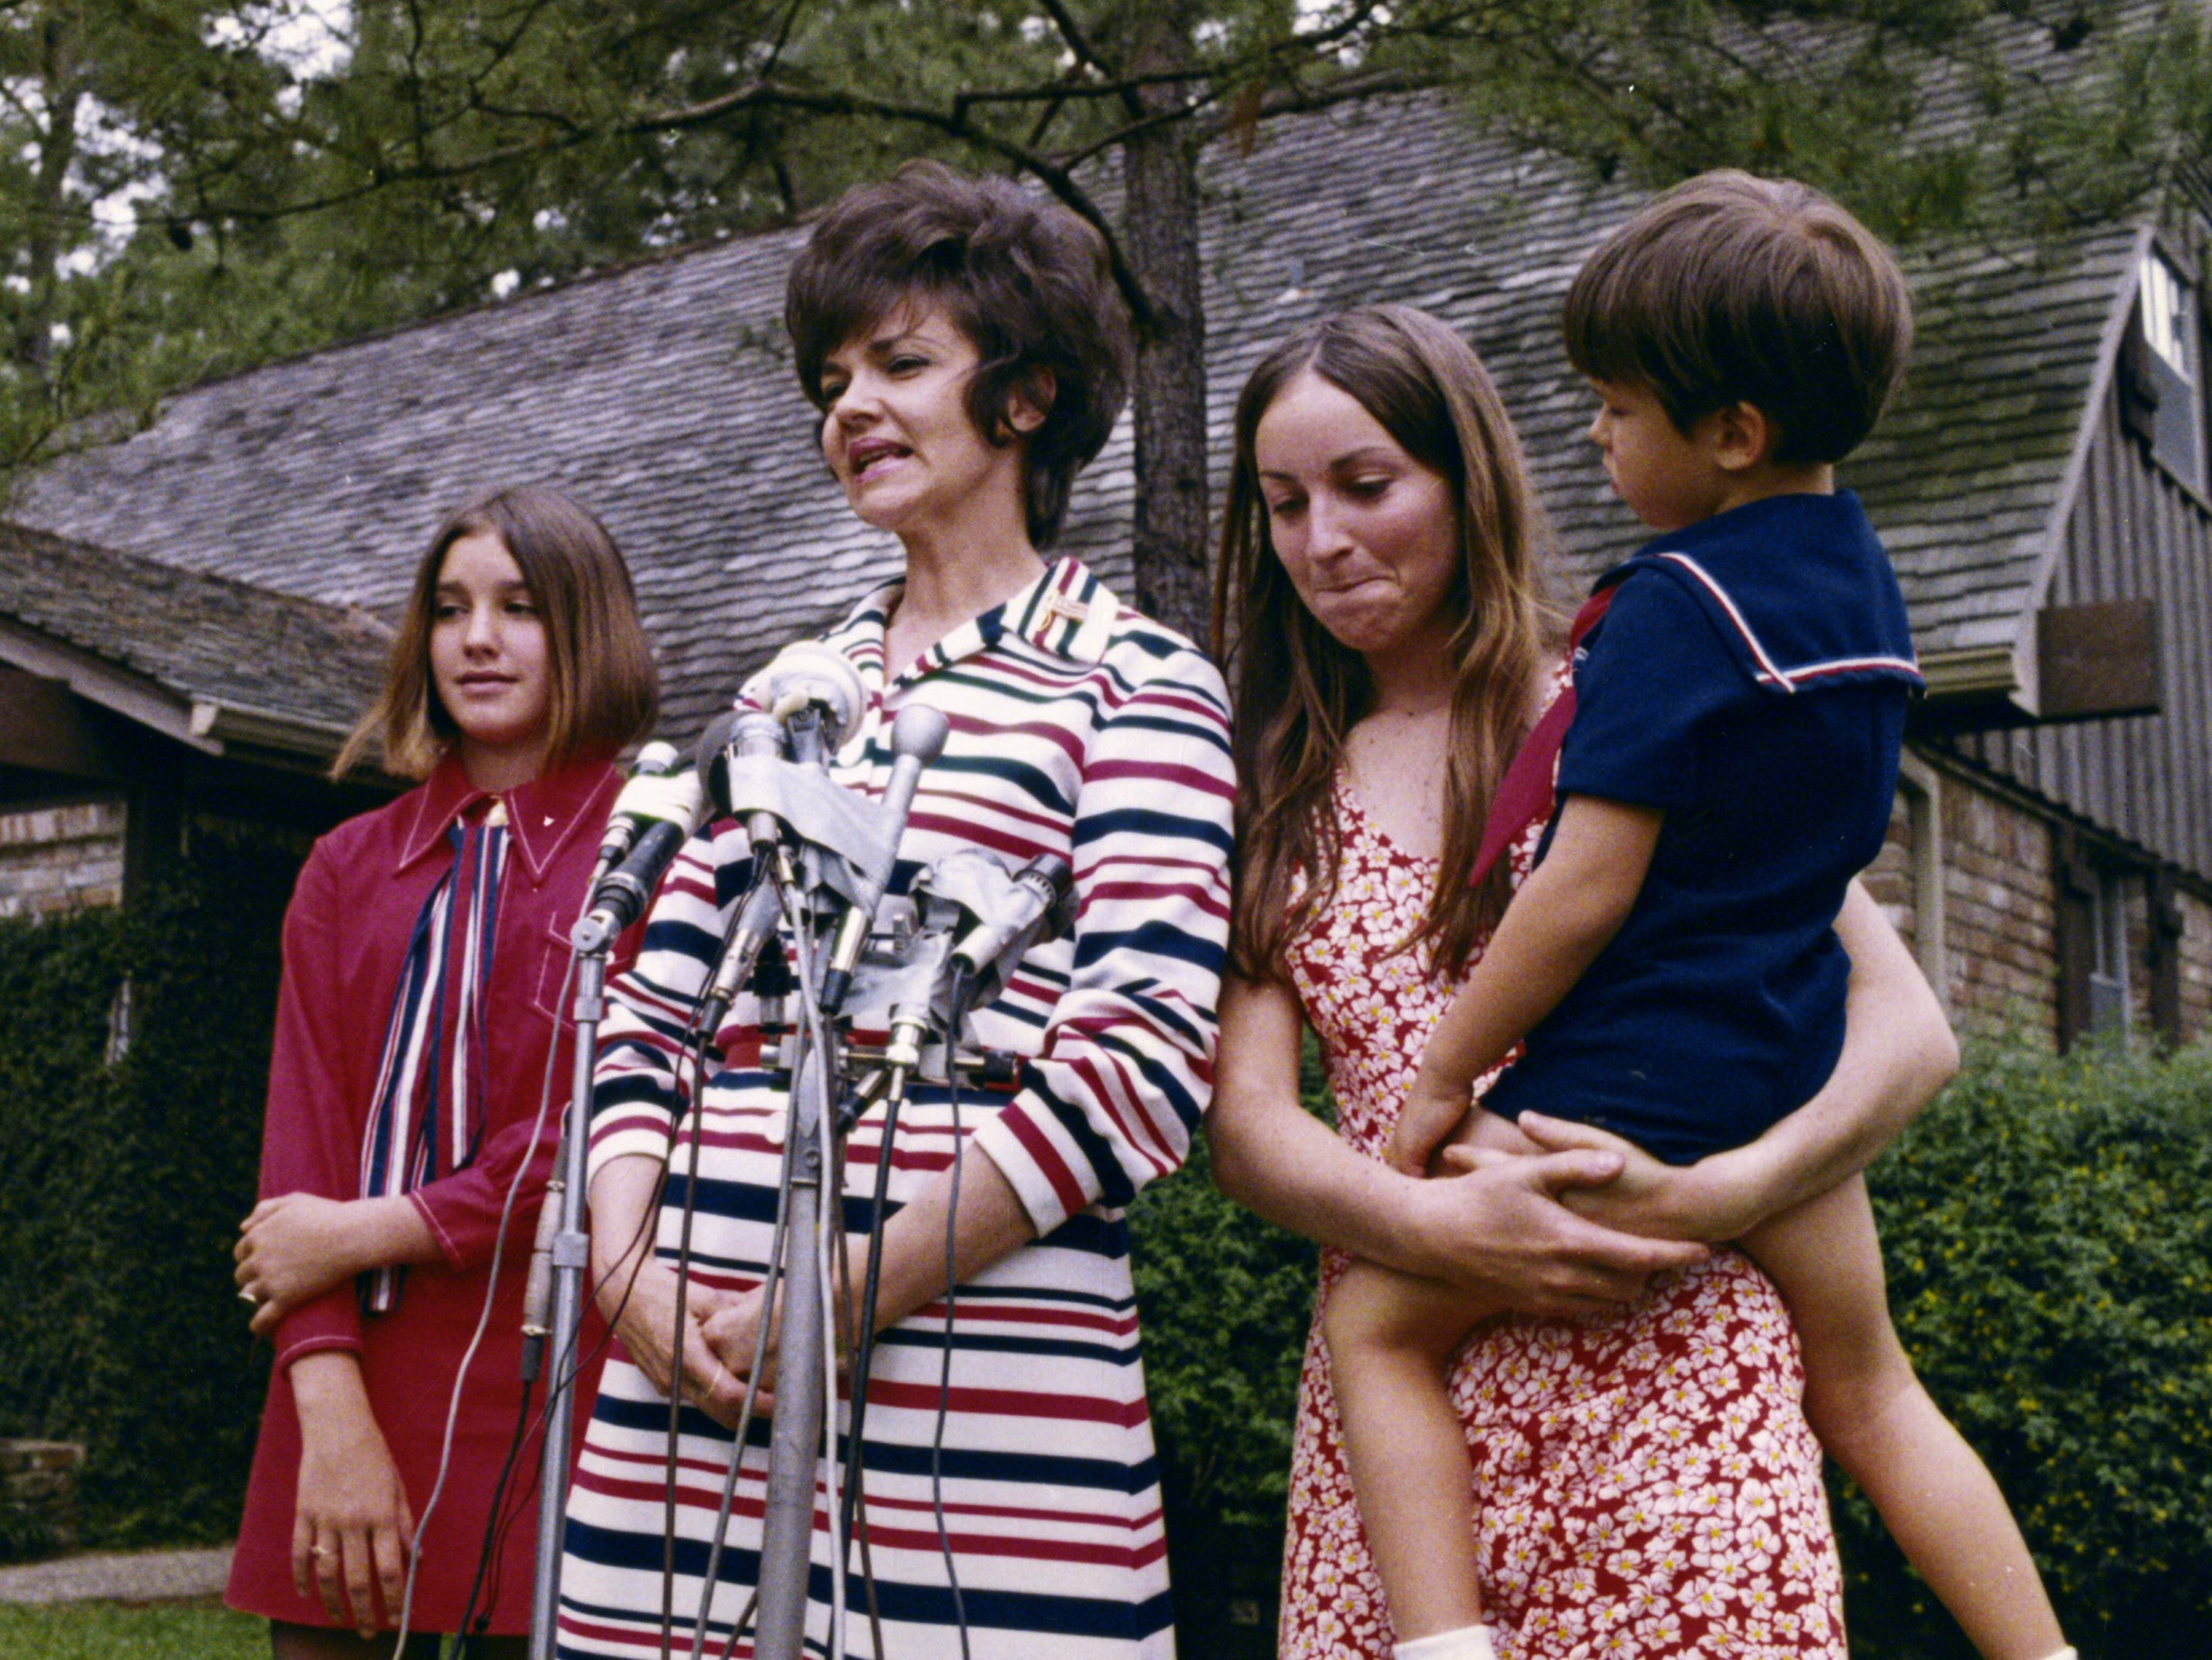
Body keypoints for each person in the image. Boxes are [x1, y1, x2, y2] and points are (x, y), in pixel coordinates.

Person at [1319, 179, 2069, 1660]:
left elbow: (1580, 891)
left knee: (1377, 1332)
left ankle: (1442, 1645)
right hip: (1784, 1060)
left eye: (1615, 408)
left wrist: (1438, 1074)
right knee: (1875, 1389)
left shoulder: (1675, 607)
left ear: (1730, 433)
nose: (1596, 438)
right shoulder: (1867, 586)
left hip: (1632, 1088)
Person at [1205, 302, 1961, 1660]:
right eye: (1283, 504)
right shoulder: (1274, 786)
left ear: (1466, 477)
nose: (1324, 539)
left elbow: (1907, 1028)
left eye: (1368, 486)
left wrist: (1734, 1186)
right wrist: (1427, 1229)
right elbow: (1250, 1128)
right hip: (1401, 1431)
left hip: (1675, 1397)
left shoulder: (1633, 688)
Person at [555, 161, 1234, 1660]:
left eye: (900, 363)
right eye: (831, 375)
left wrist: (838, 1297)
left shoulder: (1139, 686)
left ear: (1029, 395)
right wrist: (626, 1272)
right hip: (684, 1394)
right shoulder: (782, 694)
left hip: (986, 1403)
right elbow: (652, 1008)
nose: (849, 402)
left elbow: (1136, 1064)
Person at [229, 486, 658, 1658]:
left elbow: (605, 1135)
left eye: (520, 608)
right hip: (353, 1376)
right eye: (452, 608)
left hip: (571, 1368)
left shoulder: (665, 856)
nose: (477, 638)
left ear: (589, 630)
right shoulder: (345, 869)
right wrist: (328, 1407)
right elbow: (298, 1162)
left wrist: (375, 1228)